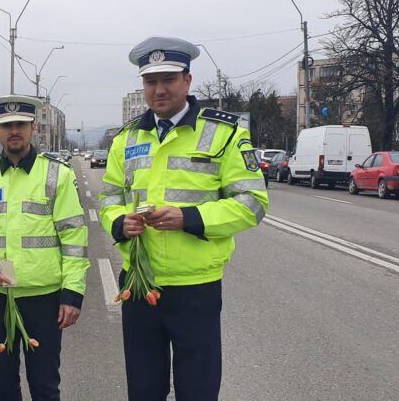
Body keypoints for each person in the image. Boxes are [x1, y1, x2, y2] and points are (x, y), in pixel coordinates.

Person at [97, 37, 270, 401]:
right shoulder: (126, 138)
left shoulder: (224, 133)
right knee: (144, 390)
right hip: (140, 284)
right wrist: (119, 222)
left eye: (168, 80)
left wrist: (189, 217)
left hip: (195, 287)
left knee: (198, 390)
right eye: (150, 81)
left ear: (187, 81)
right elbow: (109, 196)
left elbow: (252, 203)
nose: (159, 90)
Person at [0, 95, 89, 401]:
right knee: (3, 386)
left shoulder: (58, 175)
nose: (14, 131)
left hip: (44, 300)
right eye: (6, 125)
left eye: (20, 124)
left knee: (45, 386)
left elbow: (74, 240)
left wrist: (73, 293)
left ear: (33, 127)